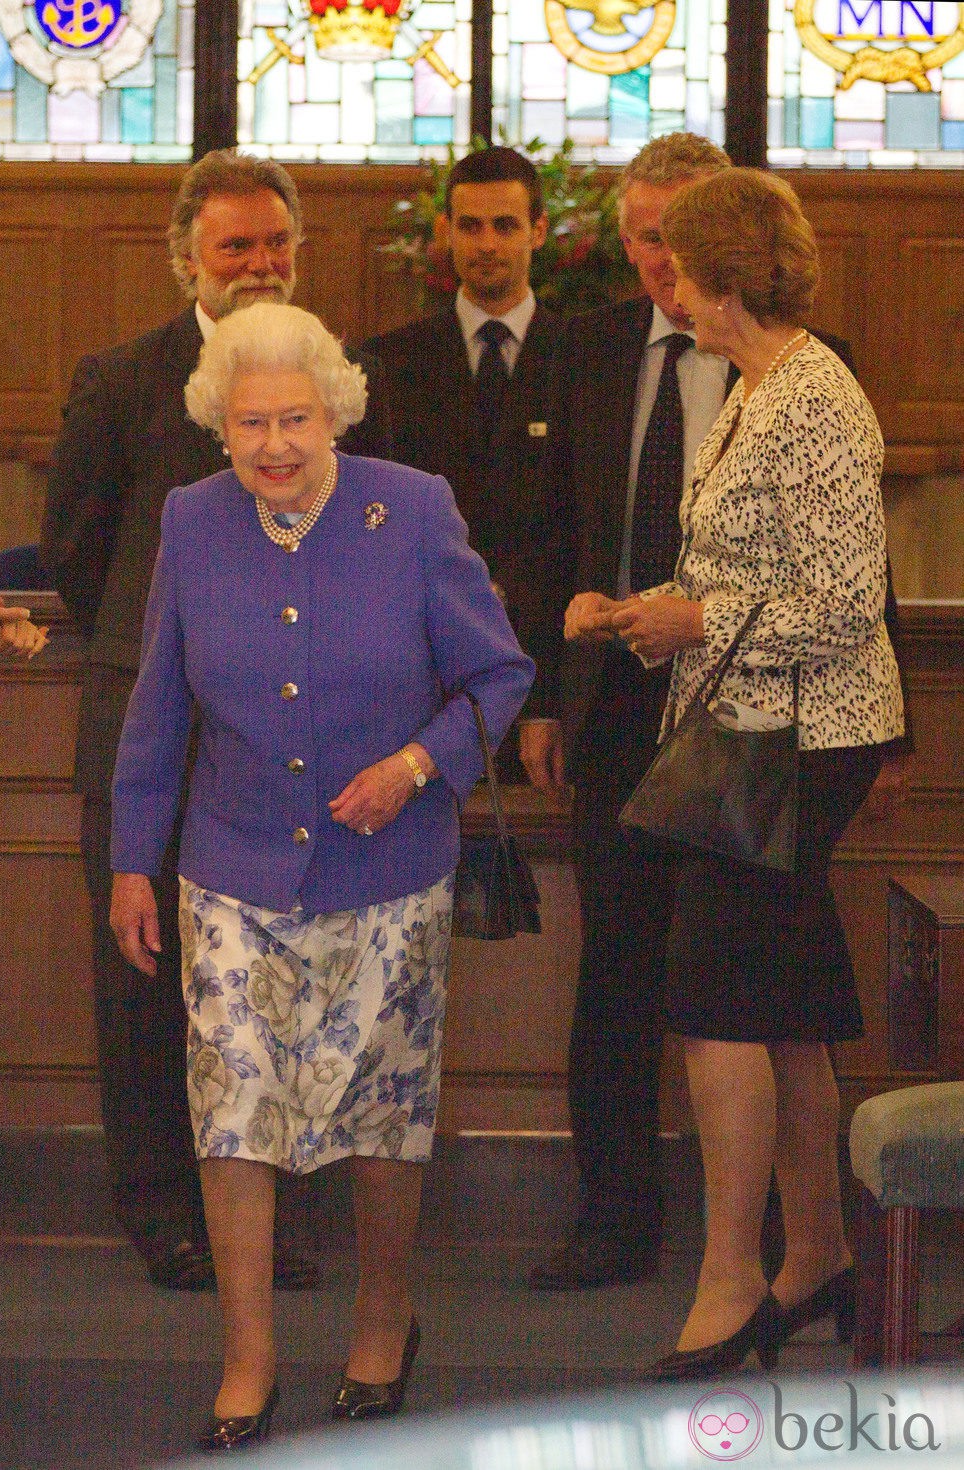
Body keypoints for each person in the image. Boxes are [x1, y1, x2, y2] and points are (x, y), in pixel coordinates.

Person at [109, 302, 535, 1448]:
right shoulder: (192, 522)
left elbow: (499, 676)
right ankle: (247, 1357)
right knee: (234, 1114)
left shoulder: (414, 510)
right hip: (231, 871)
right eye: (249, 424)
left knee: (379, 1115)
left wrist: (414, 765)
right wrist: (131, 864)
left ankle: (383, 1315)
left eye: (294, 419)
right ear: (220, 423)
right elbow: (158, 713)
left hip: (387, 875)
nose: (274, 447)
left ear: (334, 410)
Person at [525, 133, 910, 1292]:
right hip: (741, 732)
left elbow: (841, 601)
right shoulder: (758, 382)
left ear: (727, 268)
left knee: (712, 1007)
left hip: (787, 738)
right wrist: (631, 609)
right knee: (782, 1011)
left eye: (677, 262)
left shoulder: (810, 391)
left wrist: (690, 622)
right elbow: (743, 566)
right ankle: (816, 1262)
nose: (662, 284)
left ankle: (728, 1282)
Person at [40, 149, 318, 1291]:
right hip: (144, 730)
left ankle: (266, 1211)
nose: (258, 265)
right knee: (145, 983)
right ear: (187, 261)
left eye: (273, 245)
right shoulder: (122, 379)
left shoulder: (333, 381)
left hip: (288, 742)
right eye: (234, 247)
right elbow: (74, 552)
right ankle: (160, 1206)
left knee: (272, 983)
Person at [524, 133, 735, 1289]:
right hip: (610, 708)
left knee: (732, 964)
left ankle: (744, 1224)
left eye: (674, 235)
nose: (655, 260)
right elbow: (552, 525)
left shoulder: (792, 363)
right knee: (613, 966)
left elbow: (854, 560)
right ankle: (612, 1216)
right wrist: (546, 699)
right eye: (638, 236)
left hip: (746, 710)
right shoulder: (590, 351)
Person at [344, 145, 572, 765]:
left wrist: (550, 696)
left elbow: (586, 530)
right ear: (444, 232)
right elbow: (369, 527)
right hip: (422, 676)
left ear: (540, 230)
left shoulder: (586, 358)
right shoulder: (388, 364)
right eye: (469, 226)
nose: (487, 244)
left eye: (506, 225)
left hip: (548, 667)